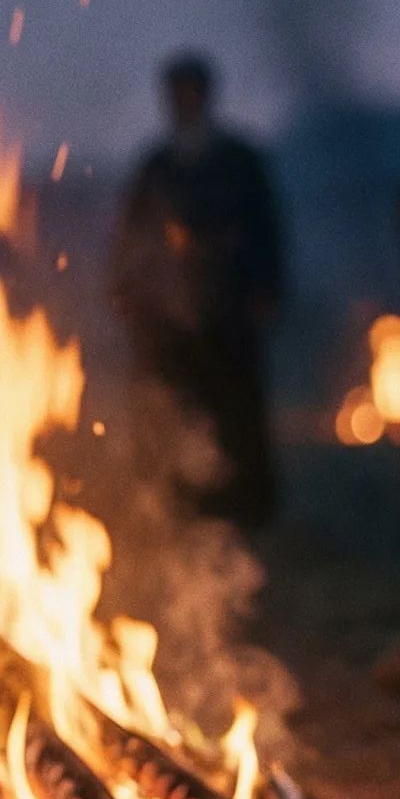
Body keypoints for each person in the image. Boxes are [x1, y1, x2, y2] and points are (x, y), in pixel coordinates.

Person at [110, 53, 286, 529]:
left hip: (228, 306)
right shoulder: (157, 166)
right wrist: (125, 285)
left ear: (205, 96)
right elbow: (133, 231)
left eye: (190, 92)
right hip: (171, 314)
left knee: (233, 406)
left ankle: (243, 502)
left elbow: (265, 229)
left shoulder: (239, 161)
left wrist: (265, 289)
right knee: (174, 404)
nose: (182, 102)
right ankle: (178, 499)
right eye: (175, 93)